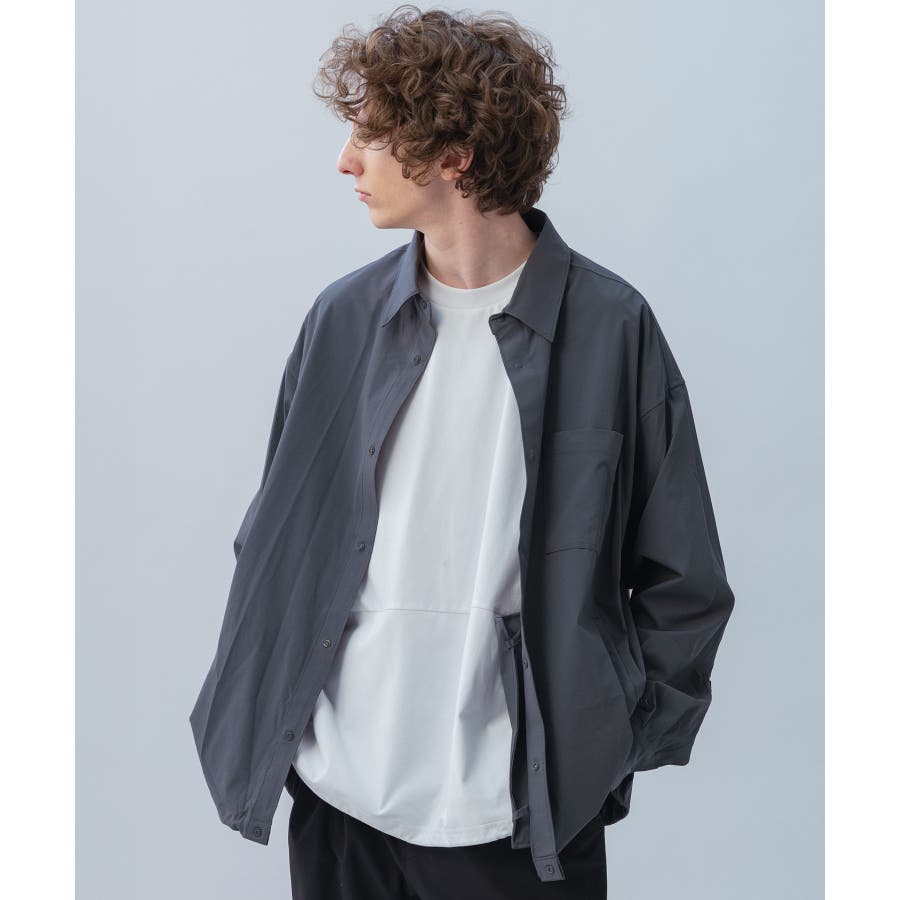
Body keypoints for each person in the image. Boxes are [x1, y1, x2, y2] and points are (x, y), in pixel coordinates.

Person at [189, 5, 736, 899]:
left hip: (517, 810)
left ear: (456, 154)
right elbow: (275, 543)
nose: (345, 161)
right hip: (340, 793)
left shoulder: (611, 329)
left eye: (371, 135)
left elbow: (684, 578)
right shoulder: (342, 320)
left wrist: (607, 743)